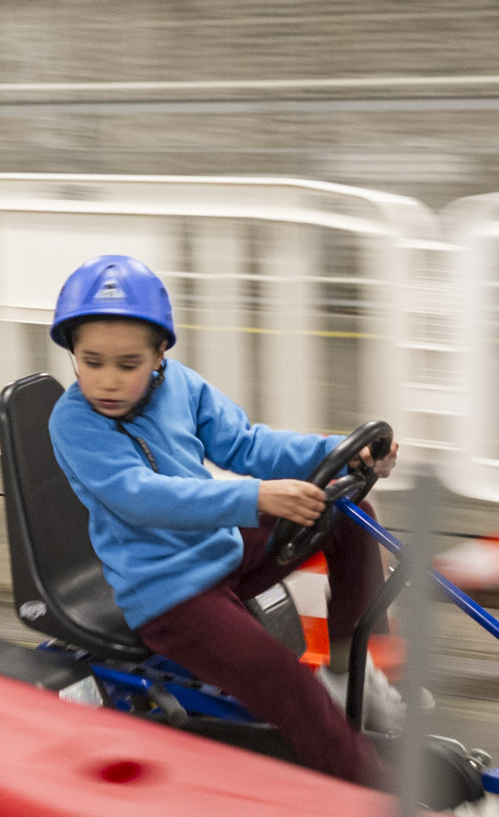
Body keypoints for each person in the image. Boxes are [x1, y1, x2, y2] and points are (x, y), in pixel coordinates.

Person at [45, 254, 404, 786]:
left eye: (128, 364)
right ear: (72, 352)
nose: (108, 382)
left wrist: (339, 452)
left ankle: (351, 667)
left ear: (160, 354)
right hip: (169, 594)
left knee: (351, 514)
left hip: (222, 548)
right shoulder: (74, 423)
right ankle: (378, 794)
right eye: (91, 361)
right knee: (291, 690)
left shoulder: (180, 387)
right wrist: (257, 499)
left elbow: (246, 444)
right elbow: (144, 498)